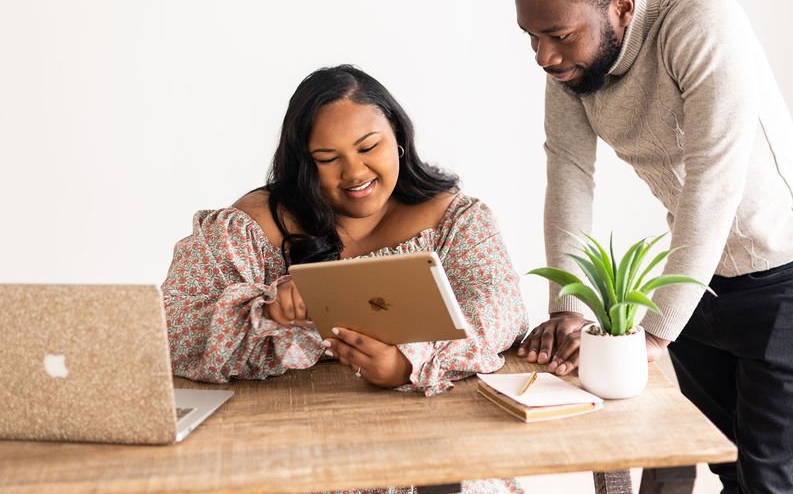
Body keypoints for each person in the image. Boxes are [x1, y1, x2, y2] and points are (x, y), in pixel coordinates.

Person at [513, 0, 793, 494]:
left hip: (789, 276)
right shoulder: (569, 70)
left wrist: (655, 333)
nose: (543, 56)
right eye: (531, 38)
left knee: (768, 482)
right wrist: (566, 306)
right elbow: (569, 175)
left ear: (621, 7)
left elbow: (714, 180)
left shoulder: (702, 24)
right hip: (700, 277)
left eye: (559, 34)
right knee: (717, 459)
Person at [162, 64, 528, 494]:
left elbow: (502, 311)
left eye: (368, 147)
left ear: (399, 137)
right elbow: (171, 328)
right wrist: (268, 310)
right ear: (302, 164)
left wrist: (410, 362)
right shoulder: (253, 226)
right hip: (289, 454)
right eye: (328, 159)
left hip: (432, 451)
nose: (354, 173)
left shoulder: (454, 220)